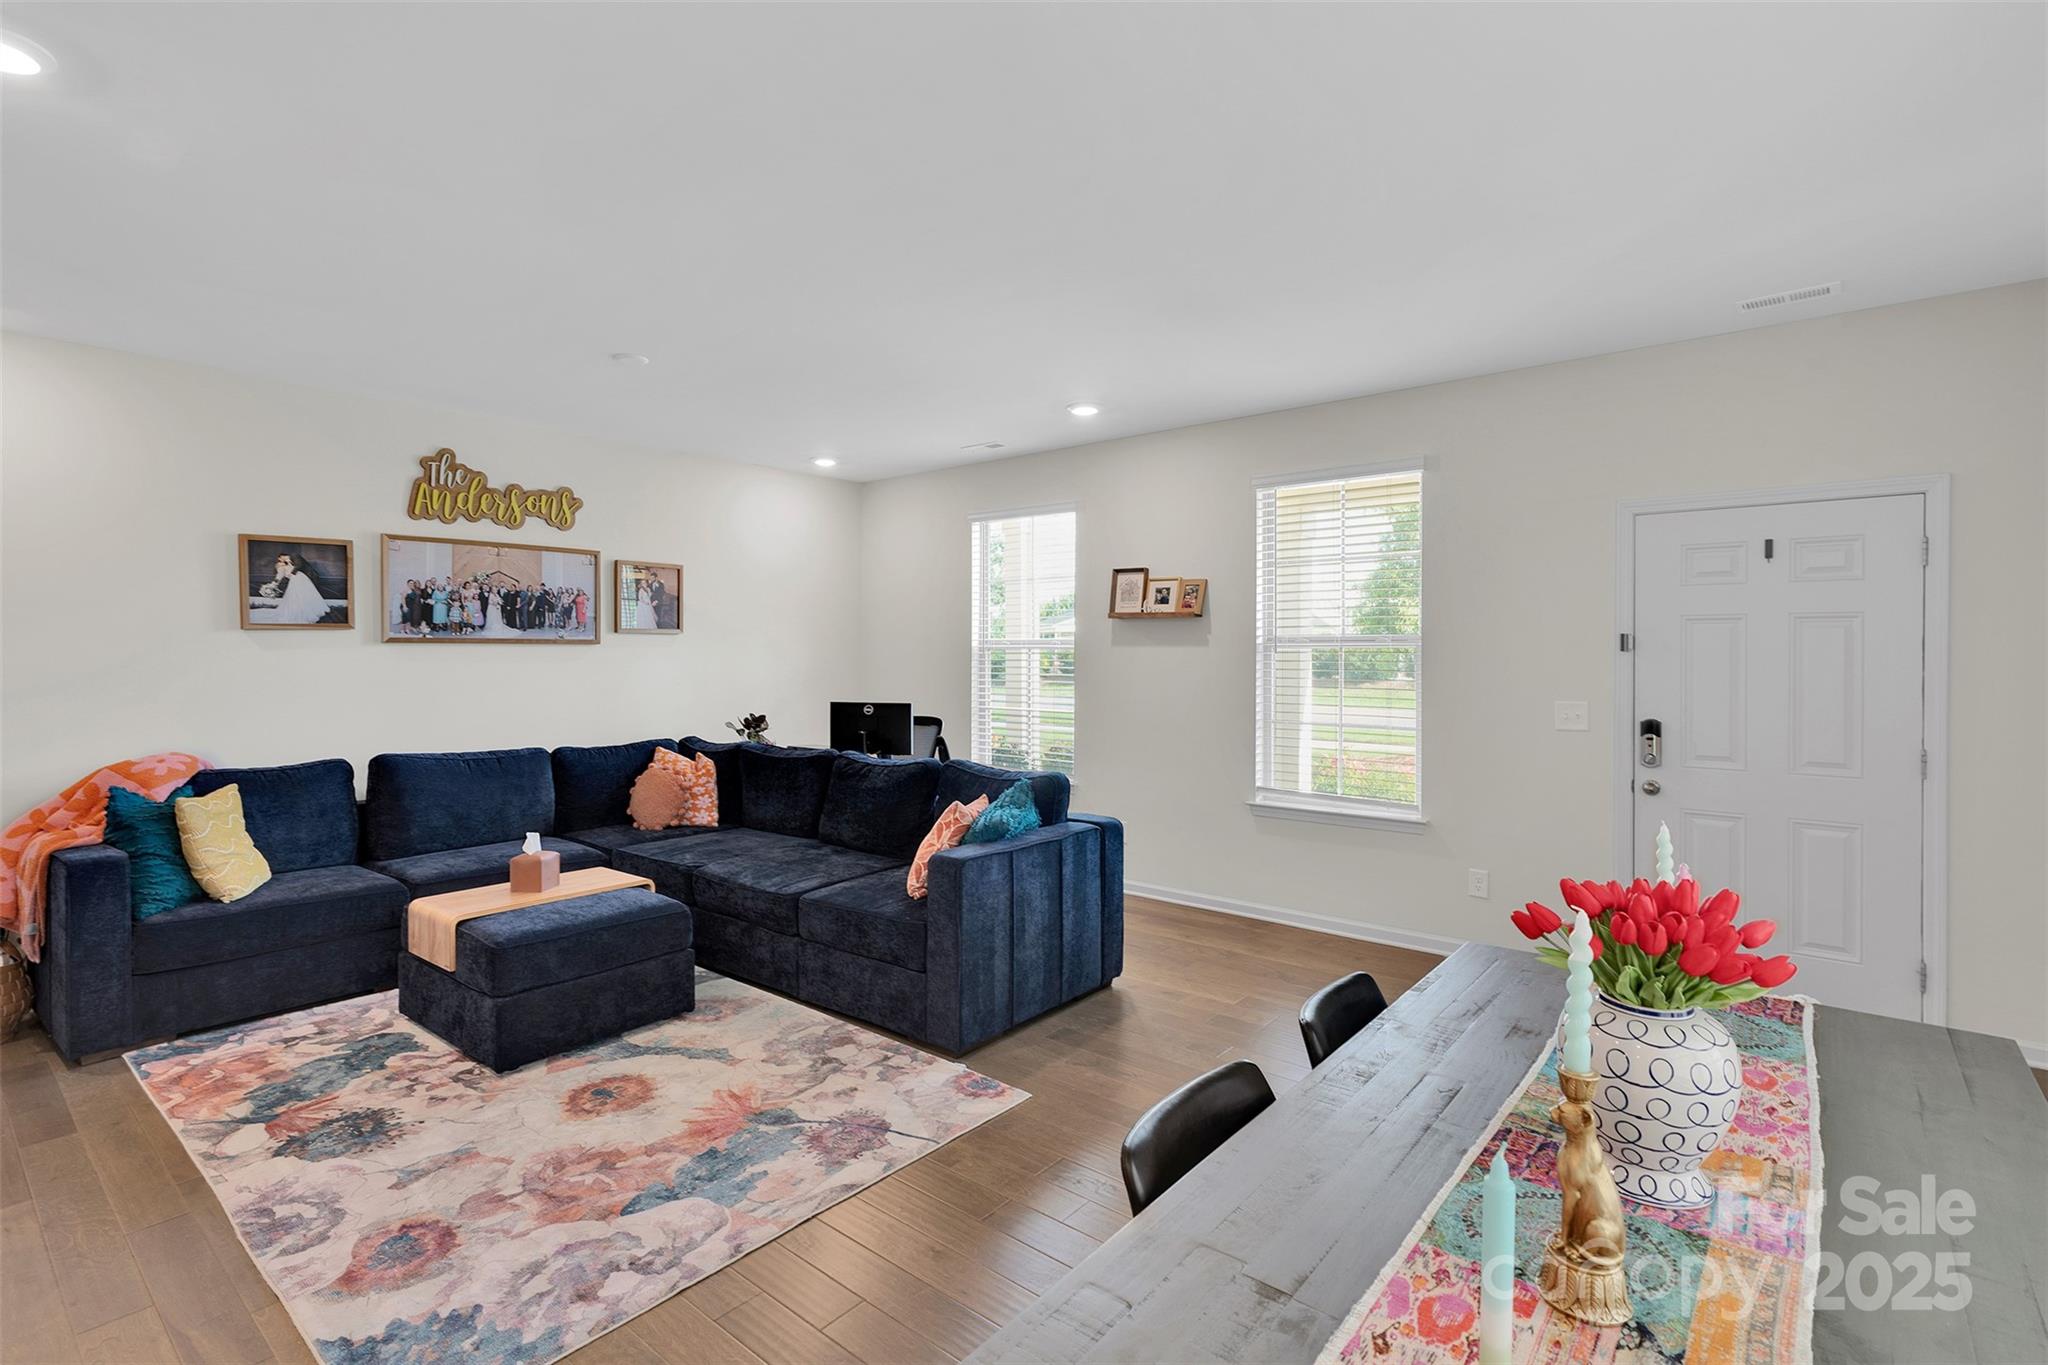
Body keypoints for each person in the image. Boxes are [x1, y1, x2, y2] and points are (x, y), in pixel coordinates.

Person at [268, 553, 330, 625]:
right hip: (295, 580)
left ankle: (311, 609)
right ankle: (301, 610)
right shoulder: (281, 566)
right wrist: (274, 584)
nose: (280, 561)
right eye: (279, 561)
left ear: (281, 557)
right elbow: (279, 576)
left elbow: (298, 566)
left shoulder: (292, 558)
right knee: (297, 595)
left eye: (280, 559)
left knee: (306, 594)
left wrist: (290, 572)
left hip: (301, 578)